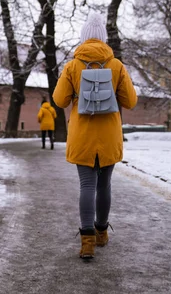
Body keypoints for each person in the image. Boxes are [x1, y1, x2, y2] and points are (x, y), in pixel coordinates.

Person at [53, 13, 137, 260]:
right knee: (105, 185)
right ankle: (101, 232)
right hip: (109, 135)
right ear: (104, 38)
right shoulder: (117, 65)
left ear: (83, 37)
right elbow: (130, 102)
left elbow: (60, 100)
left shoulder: (72, 65)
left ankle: (86, 241)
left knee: (87, 185)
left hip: (83, 135)